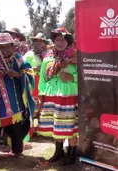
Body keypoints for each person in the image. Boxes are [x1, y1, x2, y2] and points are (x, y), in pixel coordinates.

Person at [0, 33, 35, 161]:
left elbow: (30, 74)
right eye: (2, 47)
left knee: (16, 129)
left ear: (12, 46)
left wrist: (17, 74)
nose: (5, 50)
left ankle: (17, 150)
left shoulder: (19, 59)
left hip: (15, 104)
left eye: (8, 47)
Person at [37, 26, 78, 165]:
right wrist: (40, 94)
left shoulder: (75, 57)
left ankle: (72, 154)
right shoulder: (47, 59)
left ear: (68, 42)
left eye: (63, 40)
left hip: (68, 95)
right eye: (58, 39)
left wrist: (72, 77)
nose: (60, 42)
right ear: (54, 41)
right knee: (57, 125)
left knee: (70, 126)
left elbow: (84, 76)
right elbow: (42, 78)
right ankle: (59, 152)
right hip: (51, 96)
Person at [23, 32, 49, 118]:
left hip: (46, 81)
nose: (38, 43)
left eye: (40, 41)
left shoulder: (49, 54)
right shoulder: (29, 54)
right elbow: (22, 67)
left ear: (44, 43)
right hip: (33, 81)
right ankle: (32, 125)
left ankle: (42, 123)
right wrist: (33, 69)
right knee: (34, 103)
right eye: (36, 41)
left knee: (44, 102)